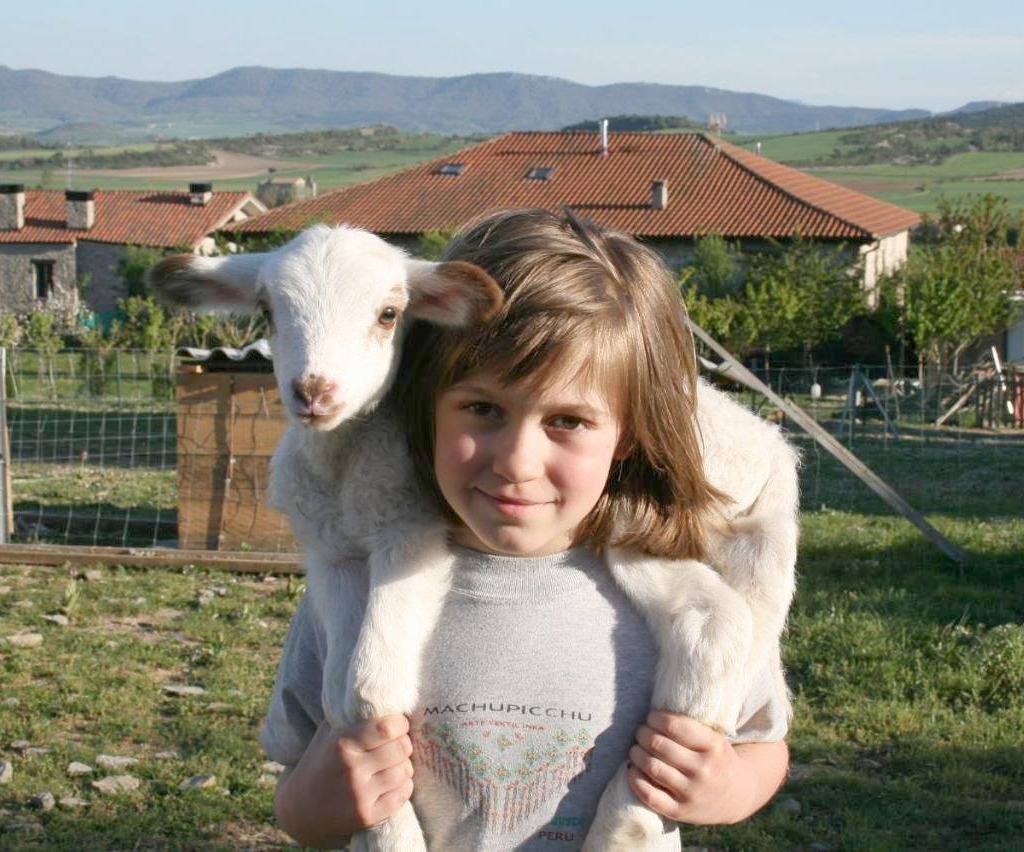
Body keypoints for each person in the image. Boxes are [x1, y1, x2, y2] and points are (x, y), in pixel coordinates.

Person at [261, 209, 790, 849]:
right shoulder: (356, 594)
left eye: (567, 421)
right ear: (424, 406)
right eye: (483, 409)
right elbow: (297, 794)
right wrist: (321, 798)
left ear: (626, 436)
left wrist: (728, 785)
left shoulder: (686, 605)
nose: (516, 462)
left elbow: (760, 742)